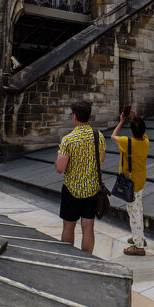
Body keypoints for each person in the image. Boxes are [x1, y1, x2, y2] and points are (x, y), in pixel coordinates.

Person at [55, 100, 106, 254]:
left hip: (72, 189)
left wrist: (59, 155)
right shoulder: (98, 136)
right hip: (92, 188)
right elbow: (101, 160)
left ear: (75, 116)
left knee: (69, 226)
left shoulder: (68, 140)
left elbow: (60, 168)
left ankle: (69, 258)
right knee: (88, 227)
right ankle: (87, 259)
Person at [111, 107, 150, 256]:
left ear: (132, 132)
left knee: (133, 212)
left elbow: (113, 135)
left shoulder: (127, 143)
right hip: (140, 180)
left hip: (130, 183)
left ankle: (139, 246)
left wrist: (121, 122)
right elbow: (140, 130)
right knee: (138, 208)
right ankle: (139, 236)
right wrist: (134, 119)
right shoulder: (146, 141)